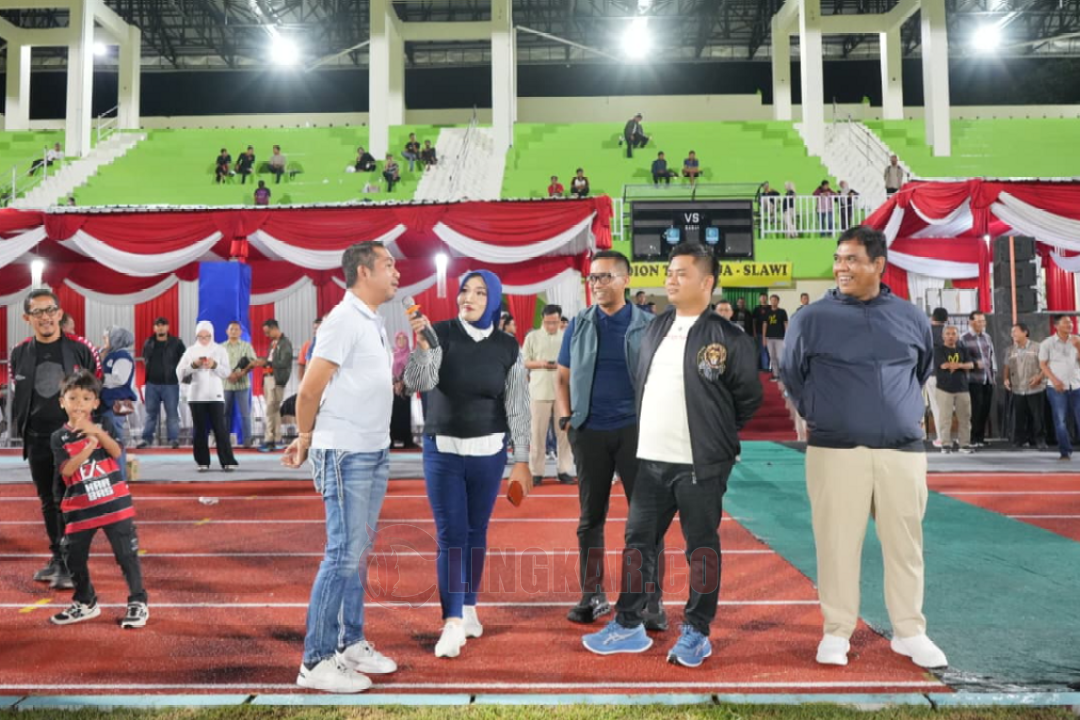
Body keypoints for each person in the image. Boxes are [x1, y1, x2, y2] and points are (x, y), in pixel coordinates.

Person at [582, 242, 762, 667]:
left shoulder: (728, 338)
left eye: (682, 272)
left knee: (700, 547)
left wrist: (713, 435)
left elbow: (747, 400)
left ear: (707, 282)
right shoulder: (654, 328)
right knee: (637, 544)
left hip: (700, 465)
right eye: (669, 270)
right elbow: (640, 380)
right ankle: (628, 624)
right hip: (651, 462)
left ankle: (697, 631)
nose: (671, 278)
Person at [781, 225, 947, 670]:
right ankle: (836, 633)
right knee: (836, 545)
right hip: (835, 451)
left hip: (903, 451)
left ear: (878, 265)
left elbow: (920, 371)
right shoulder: (811, 318)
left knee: (905, 546)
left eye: (852, 259)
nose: (841, 267)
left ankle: (910, 632)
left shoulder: (911, 317)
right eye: (838, 259)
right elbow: (792, 374)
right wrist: (821, 411)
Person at [283, 241, 401, 693]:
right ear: (363, 272)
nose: (396, 272)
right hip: (346, 452)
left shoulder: (372, 320)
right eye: (388, 264)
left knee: (358, 551)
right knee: (341, 554)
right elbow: (309, 391)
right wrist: (307, 438)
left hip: (373, 450)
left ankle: (351, 643)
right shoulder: (343, 320)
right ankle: (314, 661)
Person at [403, 270, 532, 659]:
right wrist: (424, 347)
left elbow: (518, 406)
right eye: (464, 291)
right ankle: (452, 622)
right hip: (442, 451)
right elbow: (416, 383)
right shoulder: (438, 332)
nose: (468, 298)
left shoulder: (509, 347)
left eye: (479, 292)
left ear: (493, 300)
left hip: (489, 453)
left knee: (476, 531)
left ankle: (470, 608)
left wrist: (522, 459)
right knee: (451, 534)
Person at [555, 250, 666, 626]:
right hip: (589, 432)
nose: (598, 284)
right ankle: (592, 594)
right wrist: (567, 419)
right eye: (593, 278)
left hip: (638, 431)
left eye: (605, 277)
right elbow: (562, 377)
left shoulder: (650, 324)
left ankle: (650, 600)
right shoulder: (579, 324)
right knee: (590, 519)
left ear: (625, 280)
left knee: (646, 520)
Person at [11, 290, 97, 591]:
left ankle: (72, 562)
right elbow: (20, 392)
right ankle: (58, 559)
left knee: (71, 501)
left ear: (60, 313)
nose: (45, 316)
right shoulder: (19, 352)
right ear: (27, 318)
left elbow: (94, 389)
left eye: (50, 310)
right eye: (37, 312)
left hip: (71, 440)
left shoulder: (81, 349)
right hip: (36, 439)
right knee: (48, 500)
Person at [49, 370, 148, 629]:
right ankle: (85, 602)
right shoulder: (59, 437)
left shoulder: (103, 425)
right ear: (62, 402)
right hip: (81, 509)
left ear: (95, 402)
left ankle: (138, 601)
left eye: (85, 398)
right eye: (72, 398)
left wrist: (95, 432)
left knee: (126, 555)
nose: (78, 404)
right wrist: (89, 447)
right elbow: (67, 471)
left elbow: (116, 451)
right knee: (73, 555)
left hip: (115, 504)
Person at [177, 322, 238, 472]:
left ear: (212, 335)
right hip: (196, 396)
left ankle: (227, 460)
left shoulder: (220, 350)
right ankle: (202, 461)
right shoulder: (191, 351)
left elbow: (226, 373)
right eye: (200, 336)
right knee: (199, 429)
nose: (204, 339)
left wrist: (214, 365)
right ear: (196, 335)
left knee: (220, 429)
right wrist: (194, 365)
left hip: (215, 396)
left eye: (207, 336)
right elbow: (180, 373)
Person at [523, 305, 574, 486]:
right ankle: (536, 472)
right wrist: (541, 363)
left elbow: (573, 362)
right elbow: (525, 362)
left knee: (564, 434)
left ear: (560, 321)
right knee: (537, 433)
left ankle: (564, 470)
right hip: (539, 390)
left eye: (554, 322)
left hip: (562, 391)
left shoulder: (567, 337)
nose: (550, 326)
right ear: (542, 320)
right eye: (547, 322)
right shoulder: (532, 337)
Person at [138, 317, 185, 449]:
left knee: (172, 414)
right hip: (152, 384)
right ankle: (146, 439)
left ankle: (173, 439)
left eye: (163, 325)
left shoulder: (176, 343)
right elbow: (144, 359)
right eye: (157, 325)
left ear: (168, 327)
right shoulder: (148, 342)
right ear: (154, 328)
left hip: (170, 384)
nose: (160, 327)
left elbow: (184, 360)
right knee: (150, 414)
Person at [1038, 315, 1080, 461]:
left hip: (1076, 385)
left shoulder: (1077, 340)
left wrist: (1078, 346)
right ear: (1056, 325)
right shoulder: (1047, 343)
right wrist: (1054, 380)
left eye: (1070, 322)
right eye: (1066, 322)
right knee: (1060, 420)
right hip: (1055, 388)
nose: (1070, 325)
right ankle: (1065, 451)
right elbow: (1043, 364)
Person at [1003, 322, 1046, 450]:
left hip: (1035, 388)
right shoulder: (1010, 350)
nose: (1012, 334)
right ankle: (1020, 440)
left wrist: (1039, 378)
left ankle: (1040, 440)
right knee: (1019, 417)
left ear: (1025, 332)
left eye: (1015, 331)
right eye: (1012, 332)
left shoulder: (1037, 347)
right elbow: (1006, 366)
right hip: (1018, 389)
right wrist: (1005, 378)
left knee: (1038, 417)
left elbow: (1046, 366)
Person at [934, 326, 975, 454]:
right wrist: (961, 366)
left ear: (957, 336)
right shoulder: (938, 350)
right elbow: (943, 365)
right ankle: (945, 444)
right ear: (943, 336)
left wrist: (957, 365)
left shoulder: (963, 349)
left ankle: (964, 444)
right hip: (944, 389)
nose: (951, 336)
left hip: (962, 389)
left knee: (965, 418)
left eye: (953, 334)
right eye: (948, 334)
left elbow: (971, 365)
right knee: (945, 418)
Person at [255, 319, 293, 453]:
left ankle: (268, 440)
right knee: (274, 410)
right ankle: (278, 439)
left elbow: (284, 363)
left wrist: (266, 363)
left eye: (267, 332)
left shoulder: (285, 343)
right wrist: (265, 362)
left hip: (276, 380)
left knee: (270, 410)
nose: (266, 335)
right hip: (268, 379)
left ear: (274, 328)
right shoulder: (273, 344)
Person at [961, 312, 997, 448]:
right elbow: (962, 358)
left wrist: (993, 375)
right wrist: (974, 364)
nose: (982, 324)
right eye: (979, 321)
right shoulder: (964, 338)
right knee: (975, 410)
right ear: (971, 322)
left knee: (985, 409)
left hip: (987, 378)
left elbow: (991, 356)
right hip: (973, 379)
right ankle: (972, 438)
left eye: (983, 321)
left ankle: (980, 438)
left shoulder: (987, 337)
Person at [100, 327, 138, 445]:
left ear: (116, 339)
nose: (104, 339)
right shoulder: (109, 354)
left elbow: (120, 379)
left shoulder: (122, 356)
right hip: (105, 402)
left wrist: (98, 378)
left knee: (115, 438)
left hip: (114, 403)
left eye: (107, 337)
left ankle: (119, 463)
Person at [223, 321, 257, 448]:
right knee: (224, 414)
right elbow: (217, 365)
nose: (234, 331)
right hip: (226, 385)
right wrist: (228, 374)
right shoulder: (221, 347)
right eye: (231, 329)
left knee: (245, 413)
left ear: (240, 332)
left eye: (236, 329)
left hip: (242, 385)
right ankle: (224, 440)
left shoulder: (246, 346)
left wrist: (241, 373)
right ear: (227, 331)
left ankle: (247, 440)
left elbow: (253, 362)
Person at [925, 307, 949, 448]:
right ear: (946, 319)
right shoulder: (949, 333)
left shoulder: (925, 331)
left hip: (933, 373)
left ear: (932, 317)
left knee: (937, 406)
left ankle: (942, 438)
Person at [390, 331, 417, 450]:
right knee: (393, 415)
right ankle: (392, 440)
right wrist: (394, 383)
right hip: (393, 390)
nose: (401, 341)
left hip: (405, 389)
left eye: (404, 338)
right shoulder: (392, 355)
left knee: (404, 414)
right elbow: (388, 370)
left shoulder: (411, 355)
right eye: (399, 339)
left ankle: (406, 440)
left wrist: (402, 383)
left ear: (407, 340)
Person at [60, 313, 103, 379]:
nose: (73, 332)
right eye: (71, 329)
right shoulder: (82, 345)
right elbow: (98, 374)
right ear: (63, 327)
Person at [761, 294, 788, 382]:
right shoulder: (767, 312)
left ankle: (783, 375)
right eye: (771, 300)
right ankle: (776, 375)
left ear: (778, 301)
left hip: (780, 338)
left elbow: (785, 324)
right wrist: (764, 338)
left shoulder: (782, 312)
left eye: (775, 300)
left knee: (780, 357)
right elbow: (764, 325)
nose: (773, 302)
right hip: (769, 338)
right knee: (772, 357)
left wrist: (787, 336)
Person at [298, 318, 323, 382]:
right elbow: (301, 367)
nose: (315, 331)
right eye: (314, 328)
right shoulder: (307, 345)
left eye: (318, 328)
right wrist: (302, 384)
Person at [751, 293, 771, 371]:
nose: (763, 299)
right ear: (759, 299)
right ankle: (765, 368)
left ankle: (770, 368)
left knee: (770, 351)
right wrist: (754, 333)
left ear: (767, 298)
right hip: (759, 333)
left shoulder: (770, 308)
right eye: (761, 298)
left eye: (764, 297)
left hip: (770, 334)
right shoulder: (757, 309)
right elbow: (753, 322)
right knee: (762, 351)